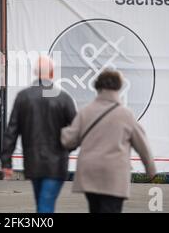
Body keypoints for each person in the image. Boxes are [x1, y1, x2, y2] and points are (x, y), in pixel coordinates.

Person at [61, 69, 156, 213]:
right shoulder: (126, 115)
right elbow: (142, 145)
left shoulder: (85, 112)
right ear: (119, 87)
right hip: (114, 175)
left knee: (95, 209)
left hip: (89, 173)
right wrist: (151, 169)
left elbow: (69, 140)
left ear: (97, 87)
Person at [0, 56, 76, 213]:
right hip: (57, 163)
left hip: (33, 162)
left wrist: (6, 162)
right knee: (45, 205)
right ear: (52, 72)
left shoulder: (24, 97)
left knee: (42, 204)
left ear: (35, 72)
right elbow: (78, 129)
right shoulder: (63, 98)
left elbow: (11, 131)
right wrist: (67, 149)